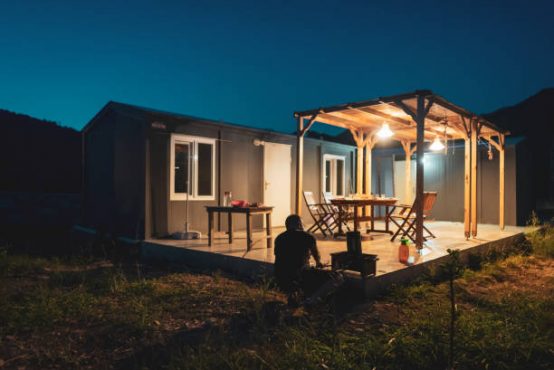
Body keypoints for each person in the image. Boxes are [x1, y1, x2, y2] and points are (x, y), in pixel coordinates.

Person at [274, 214, 342, 307]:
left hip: (280, 278)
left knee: (300, 271)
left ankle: (295, 297)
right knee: (337, 277)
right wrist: (318, 263)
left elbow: (281, 258)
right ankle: (311, 301)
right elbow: (317, 258)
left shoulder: (279, 238)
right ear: (299, 224)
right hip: (300, 276)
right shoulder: (308, 237)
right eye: (302, 224)